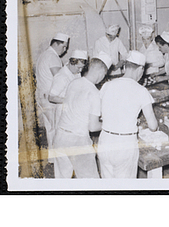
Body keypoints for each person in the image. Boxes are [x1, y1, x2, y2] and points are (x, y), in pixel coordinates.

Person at [97, 50, 158, 178]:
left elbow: (101, 114)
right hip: (125, 144)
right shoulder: (141, 90)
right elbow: (153, 126)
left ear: (125, 67)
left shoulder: (107, 85)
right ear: (141, 69)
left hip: (105, 140)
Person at [52, 51, 112, 178]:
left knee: (62, 182)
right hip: (77, 142)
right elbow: (93, 126)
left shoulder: (74, 82)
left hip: (60, 137)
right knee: (91, 183)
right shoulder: (93, 92)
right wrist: (110, 122)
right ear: (102, 72)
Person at [35, 32, 70, 158]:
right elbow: (59, 77)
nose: (65, 50)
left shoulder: (44, 55)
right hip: (50, 100)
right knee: (56, 129)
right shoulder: (53, 57)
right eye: (64, 46)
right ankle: (58, 158)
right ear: (56, 44)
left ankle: (53, 158)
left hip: (42, 97)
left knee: (50, 129)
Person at [48, 49, 88, 129]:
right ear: (72, 63)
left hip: (73, 110)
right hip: (63, 111)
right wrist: (70, 100)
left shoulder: (75, 72)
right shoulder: (62, 76)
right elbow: (51, 97)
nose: (80, 70)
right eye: (79, 67)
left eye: (82, 68)